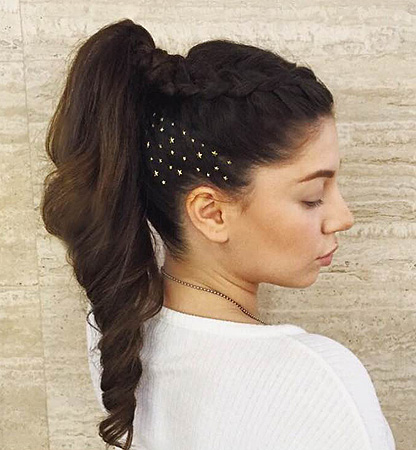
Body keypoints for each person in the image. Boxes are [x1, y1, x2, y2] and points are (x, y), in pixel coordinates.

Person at [41, 18, 396, 450]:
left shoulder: (114, 333)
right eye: (312, 197)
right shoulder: (316, 380)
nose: (343, 217)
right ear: (211, 213)